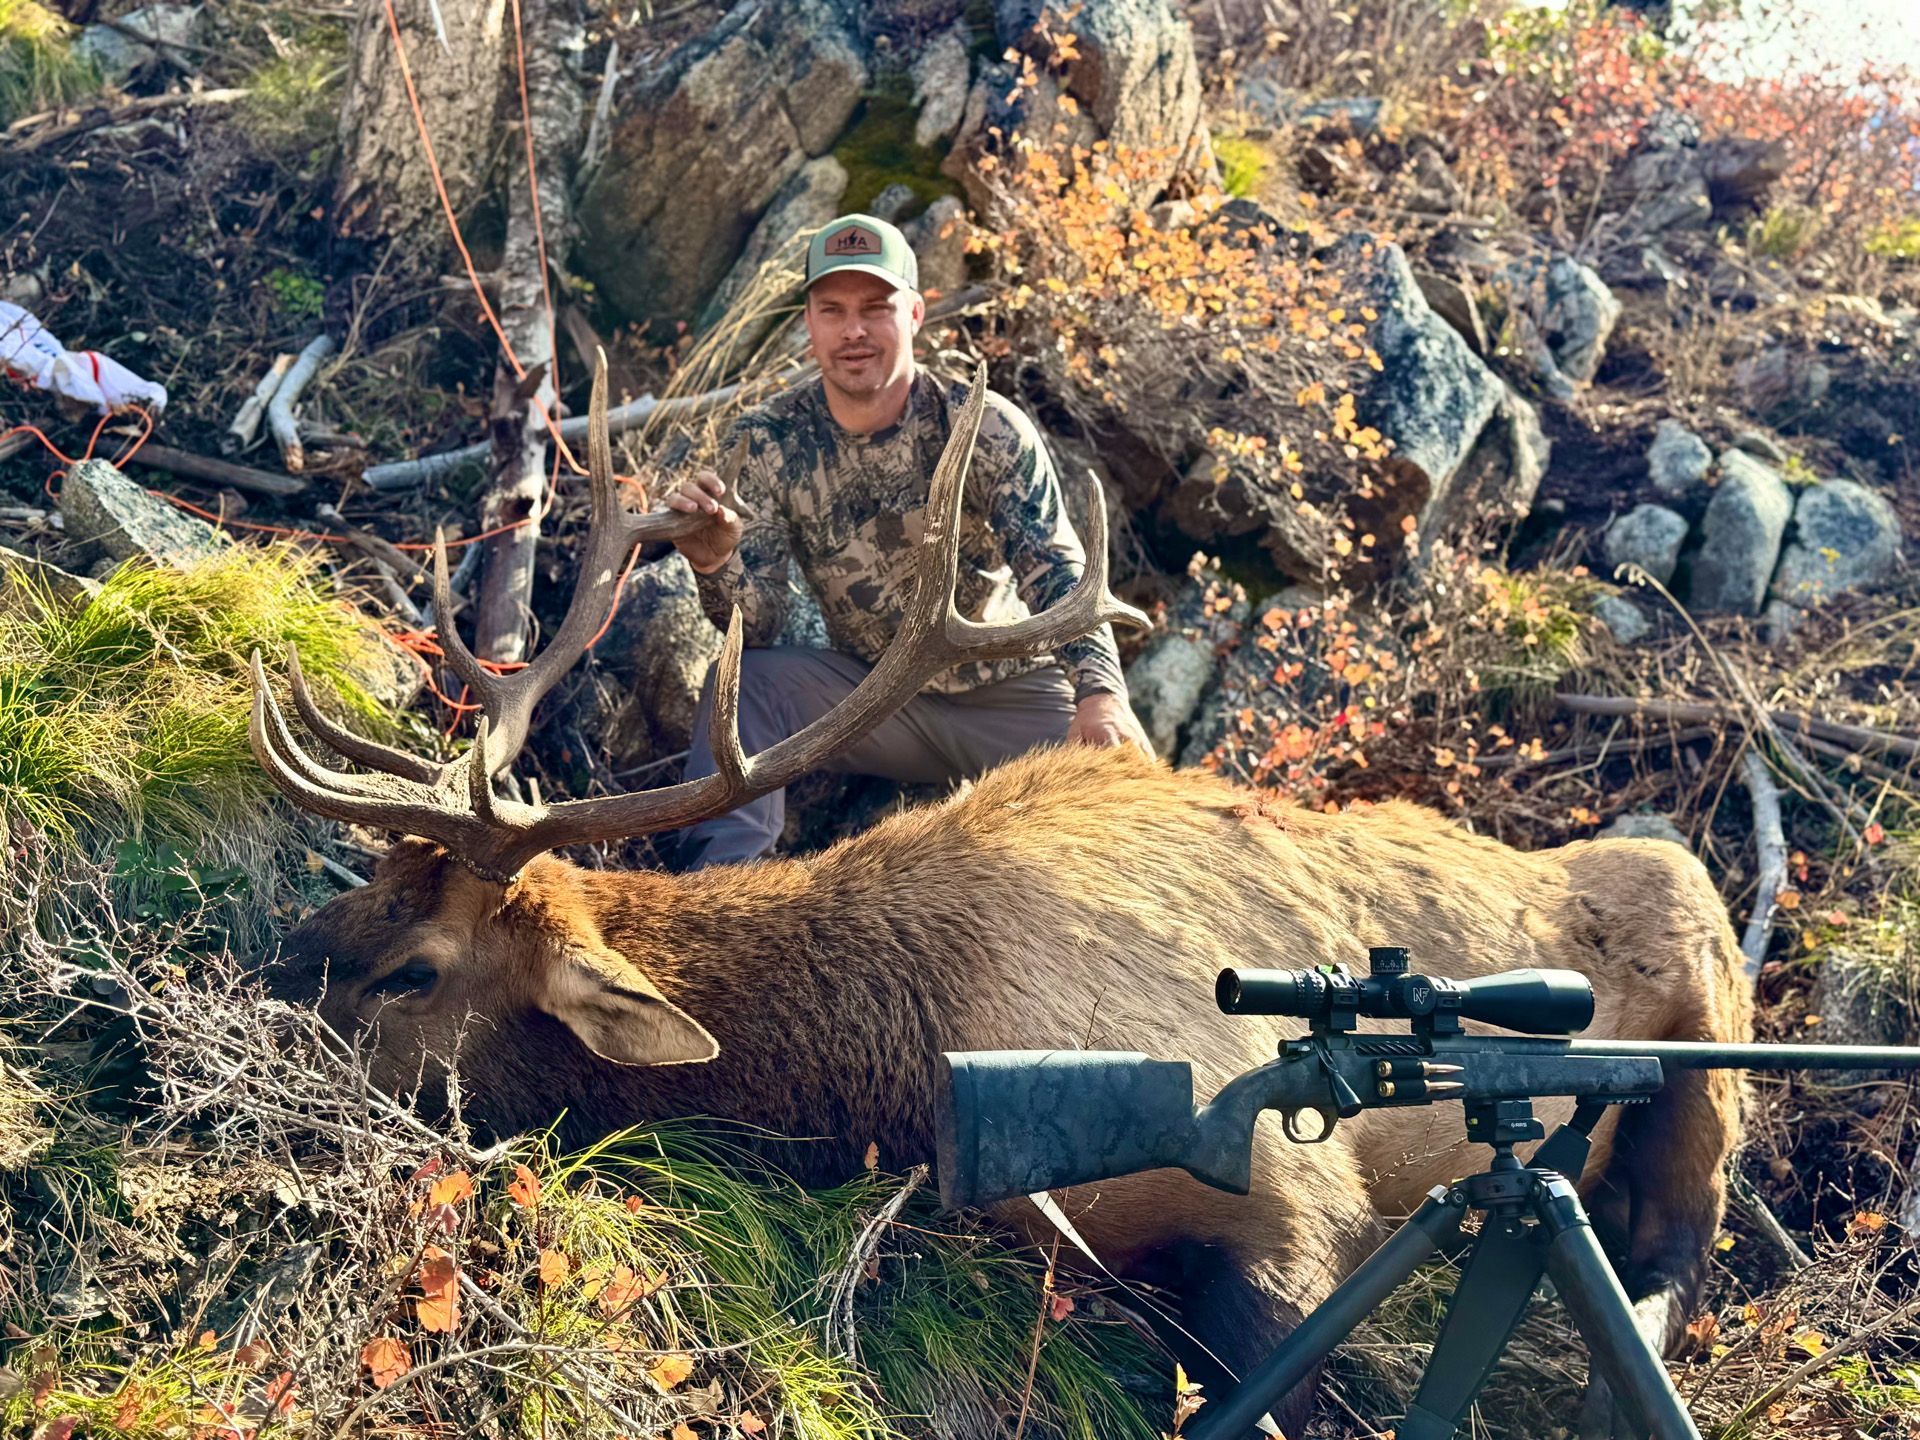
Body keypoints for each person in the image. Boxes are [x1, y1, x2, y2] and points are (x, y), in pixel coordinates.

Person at [662, 212, 1151, 869]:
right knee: (745, 679)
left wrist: (1099, 691)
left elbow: (1058, 574)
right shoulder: (769, 440)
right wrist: (716, 566)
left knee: (1132, 800)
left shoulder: (984, 426)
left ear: (916, 314)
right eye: (831, 310)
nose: (854, 331)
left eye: (876, 308)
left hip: (1007, 694)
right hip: (873, 697)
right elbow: (766, 623)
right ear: (809, 322)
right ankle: (715, 895)